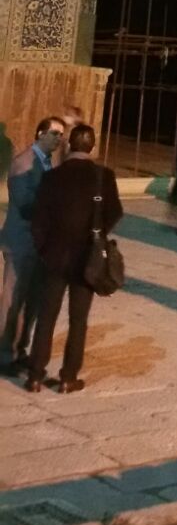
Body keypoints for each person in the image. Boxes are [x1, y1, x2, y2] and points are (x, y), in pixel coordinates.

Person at [25, 123, 121, 393]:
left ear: (70, 145)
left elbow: (39, 219)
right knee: (78, 320)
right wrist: (98, 233)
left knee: (46, 316)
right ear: (92, 146)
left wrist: (44, 248)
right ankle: (68, 377)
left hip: (55, 257)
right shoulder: (104, 176)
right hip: (87, 258)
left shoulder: (53, 177)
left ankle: (35, 375)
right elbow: (115, 212)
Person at [0, 116, 66, 375]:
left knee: (32, 301)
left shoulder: (49, 162)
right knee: (13, 300)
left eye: (61, 135)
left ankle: (20, 349)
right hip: (21, 242)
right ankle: (4, 355)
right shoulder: (23, 163)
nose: (58, 139)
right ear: (40, 134)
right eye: (54, 133)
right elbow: (25, 204)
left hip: (39, 244)